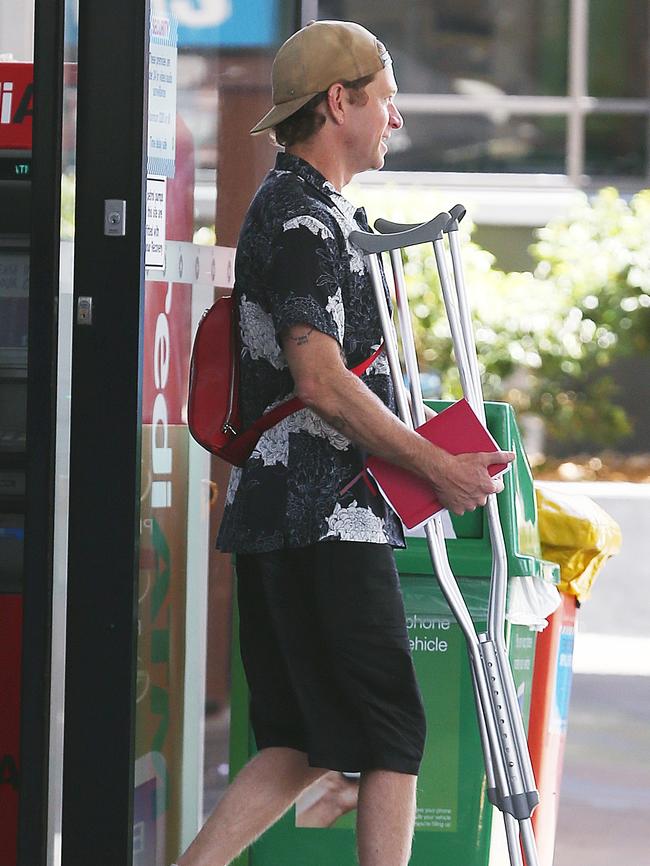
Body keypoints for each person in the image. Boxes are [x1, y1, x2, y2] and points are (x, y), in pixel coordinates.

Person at [177, 19, 514, 866]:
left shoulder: (312, 209)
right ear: (340, 101)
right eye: (387, 101)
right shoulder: (302, 221)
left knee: (298, 740)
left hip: (285, 510)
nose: (395, 120)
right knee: (394, 734)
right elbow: (319, 379)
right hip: (324, 512)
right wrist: (434, 463)